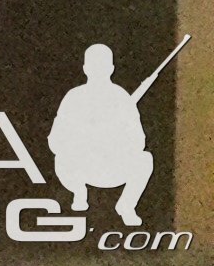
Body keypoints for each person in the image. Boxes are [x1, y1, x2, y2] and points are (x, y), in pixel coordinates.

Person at [48, 44, 157, 226]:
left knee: (145, 160)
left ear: (111, 69)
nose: (98, 70)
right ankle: (79, 193)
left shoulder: (122, 98)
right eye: (94, 66)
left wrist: (114, 140)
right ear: (85, 69)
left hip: (112, 167)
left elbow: (139, 141)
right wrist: (82, 141)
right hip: (80, 168)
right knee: (61, 159)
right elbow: (55, 139)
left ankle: (126, 206)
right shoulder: (74, 97)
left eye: (102, 66)